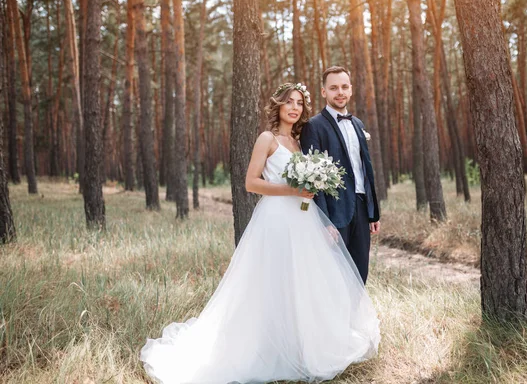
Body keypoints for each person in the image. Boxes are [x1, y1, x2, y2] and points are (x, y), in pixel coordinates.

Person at [140, 82, 380, 384]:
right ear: (278, 106)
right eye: (289, 102)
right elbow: (251, 183)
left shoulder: (299, 142)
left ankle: (303, 345)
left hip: (304, 219)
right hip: (275, 218)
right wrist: (291, 189)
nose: (295, 108)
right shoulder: (267, 139)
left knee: (302, 281)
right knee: (272, 281)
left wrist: (314, 198)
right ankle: (266, 347)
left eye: (299, 103)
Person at [300, 66, 381, 284]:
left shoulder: (358, 124)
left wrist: (373, 213)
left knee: (360, 271)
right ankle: (335, 319)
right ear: (324, 92)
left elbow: (366, 169)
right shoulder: (313, 127)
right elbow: (312, 177)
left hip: (362, 208)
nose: (340, 92)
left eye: (344, 87)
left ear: (351, 89)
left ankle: (354, 319)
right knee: (335, 274)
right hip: (335, 210)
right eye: (334, 88)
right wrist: (324, 221)